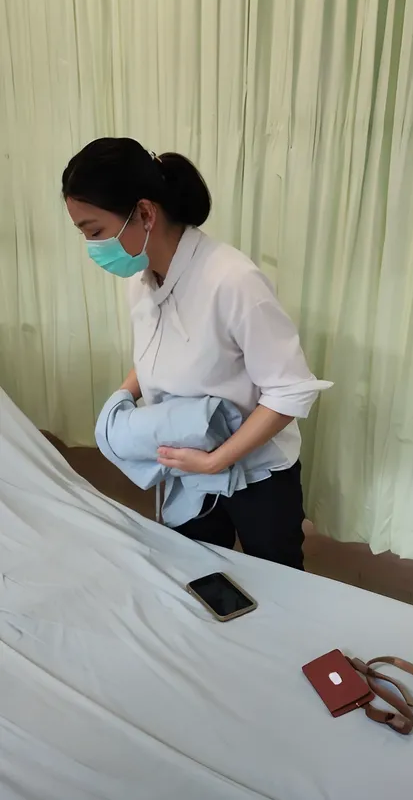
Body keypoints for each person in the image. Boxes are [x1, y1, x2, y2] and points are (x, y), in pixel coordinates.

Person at [62, 138, 330, 569]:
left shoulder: (233, 281)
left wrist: (216, 461)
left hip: (256, 471)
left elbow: (289, 393)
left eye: (95, 232)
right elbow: (156, 353)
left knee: (282, 585)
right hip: (187, 459)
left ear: (146, 213)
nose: (93, 248)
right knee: (199, 573)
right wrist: (122, 399)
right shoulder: (142, 277)